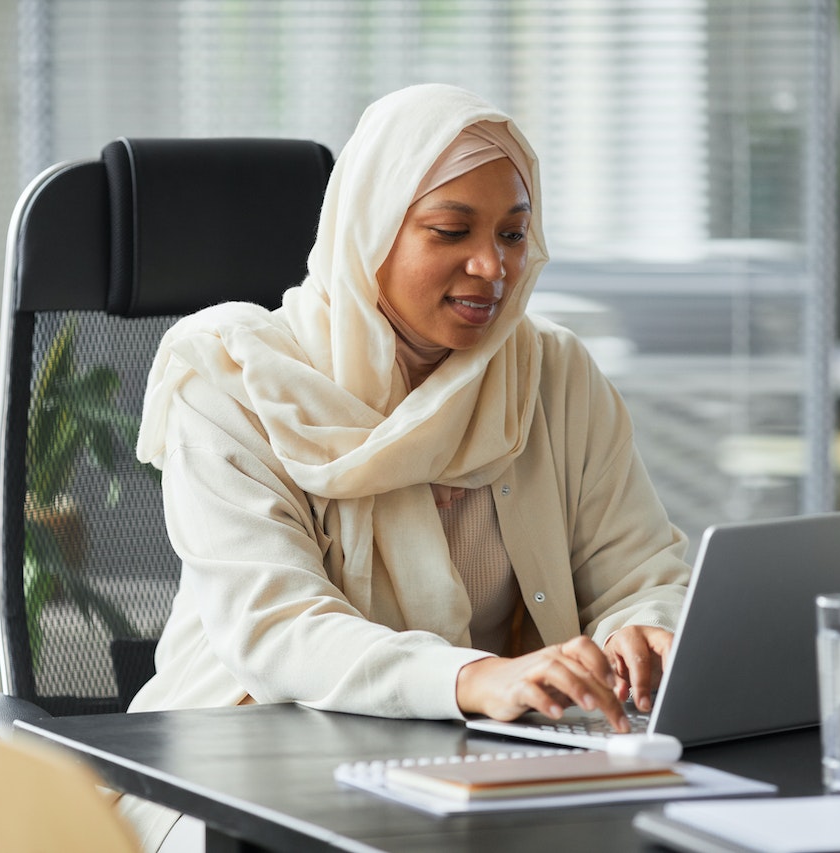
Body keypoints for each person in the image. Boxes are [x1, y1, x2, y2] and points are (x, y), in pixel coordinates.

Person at [124, 82, 691, 850]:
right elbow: (278, 628)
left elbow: (639, 569)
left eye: (514, 234)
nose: (492, 266)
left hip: (483, 769)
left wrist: (642, 633)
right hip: (246, 766)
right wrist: (471, 678)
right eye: (450, 230)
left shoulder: (550, 371)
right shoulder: (229, 374)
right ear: (370, 227)